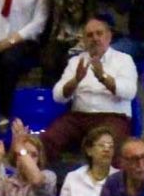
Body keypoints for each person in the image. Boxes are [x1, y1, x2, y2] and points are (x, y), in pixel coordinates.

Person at [43, 16, 137, 160]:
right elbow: (58, 96)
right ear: (84, 40)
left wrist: (103, 77)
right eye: (89, 35)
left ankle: (110, 181)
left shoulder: (124, 60)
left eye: (99, 33)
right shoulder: (76, 61)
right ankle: (47, 178)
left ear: (109, 36)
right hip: (79, 117)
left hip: (112, 117)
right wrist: (75, 80)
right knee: (48, 138)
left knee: (109, 144)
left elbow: (129, 92)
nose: (95, 38)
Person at [57, 124, 115, 196]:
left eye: (111, 146)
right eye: (102, 145)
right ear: (89, 150)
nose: (107, 149)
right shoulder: (73, 177)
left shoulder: (120, 179)